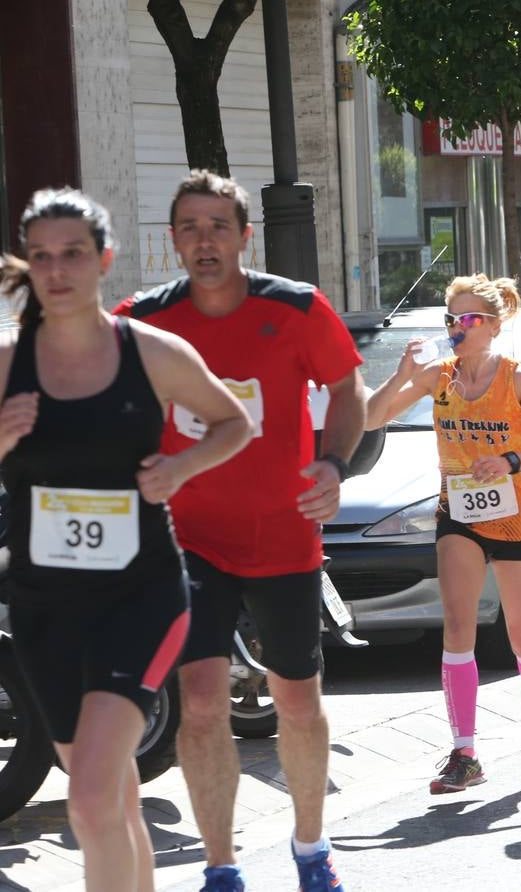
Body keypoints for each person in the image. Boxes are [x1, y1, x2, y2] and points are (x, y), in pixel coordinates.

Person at [112, 171, 365, 892]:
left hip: (283, 536)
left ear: (245, 237)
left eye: (218, 226)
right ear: (173, 242)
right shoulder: (143, 320)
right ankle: (221, 867)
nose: (204, 241)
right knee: (198, 702)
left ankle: (311, 849)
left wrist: (333, 465)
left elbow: (349, 389)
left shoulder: (294, 308)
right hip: (185, 538)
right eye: (189, 228)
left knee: (295, 699)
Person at [0, 188, 252, 892]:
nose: (57, 270)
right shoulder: (7, 363)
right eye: (43, 256)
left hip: (139, 597)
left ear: (104, 259)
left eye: (73, 253)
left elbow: (235, 422)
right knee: (111, 796)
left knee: (87, 797)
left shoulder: (151, 352)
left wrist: (180, 467)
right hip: (44, 607)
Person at [363, 273, 521, 793]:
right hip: (460, 516)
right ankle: (464, 752)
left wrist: (513, 460)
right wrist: (401, 373)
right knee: (457, 628)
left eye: (469, 318)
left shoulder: (517, 380)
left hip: (516, 516)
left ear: (493, 327)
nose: (458, 327)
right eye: (451, 318)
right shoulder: (438, 375)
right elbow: (370, 418)